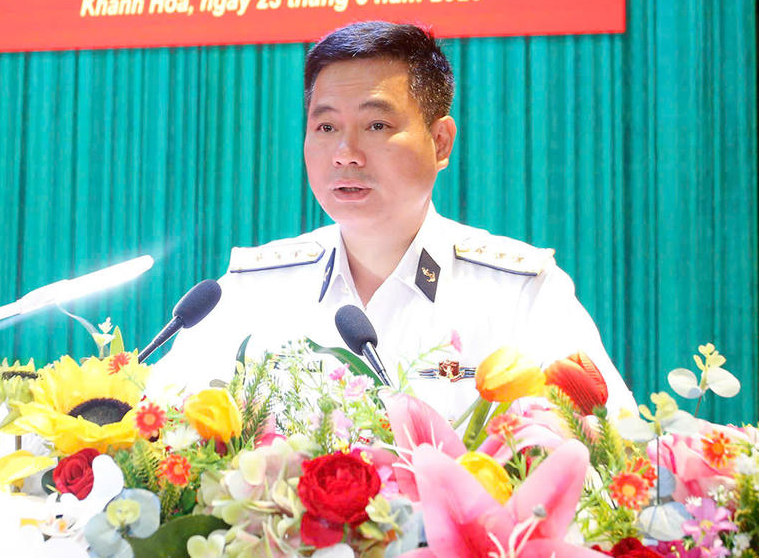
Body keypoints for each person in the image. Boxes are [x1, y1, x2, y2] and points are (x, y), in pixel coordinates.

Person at [152, 21, 634, 419]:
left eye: (377, 125)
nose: (345, 153)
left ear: (440, 143)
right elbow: (158, 433)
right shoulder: (252, 289)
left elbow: (612, 449)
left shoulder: (518, 291)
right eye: (326, 126)